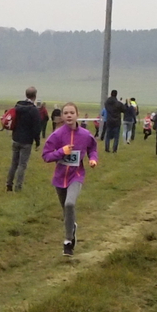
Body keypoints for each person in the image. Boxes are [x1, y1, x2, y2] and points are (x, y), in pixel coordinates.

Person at [41, 101, 100, 258]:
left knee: (69, 204)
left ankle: (68, 242)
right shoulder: (57, 135)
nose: (69, 115)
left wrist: (93, 159)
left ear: (77, 115)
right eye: (66, 113)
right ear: (62, 116)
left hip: (76, 176)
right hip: (60, 178)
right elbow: (46, 156)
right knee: (66, 211)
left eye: (72, 113)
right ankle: (71, 227)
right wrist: (61, 152)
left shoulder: (85, 135)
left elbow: (93, 148)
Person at [6, 85, 44, 191]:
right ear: (35, 96)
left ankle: (9, 184)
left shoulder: (18, 106)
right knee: (22, 165)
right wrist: (37, 142)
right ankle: (18, 187)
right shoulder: (34, 110)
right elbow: (37, 128)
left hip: (15, 138)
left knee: (14, 163)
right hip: (26, 141)